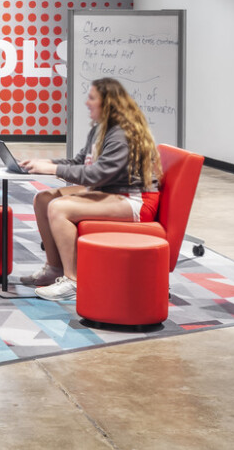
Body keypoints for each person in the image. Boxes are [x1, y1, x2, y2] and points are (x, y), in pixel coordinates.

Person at [19, 77, 162, 301]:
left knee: (58, 208)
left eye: (92, 98)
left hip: (135, 200)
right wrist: (45, 165)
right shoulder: (100, 129)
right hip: (110, 192)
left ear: (108, 103)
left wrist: (53, 169)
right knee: (43, 199)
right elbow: (79, 163)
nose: (87, 102)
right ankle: (54, 269)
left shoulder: (121, 133)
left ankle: (73, 281)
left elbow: (96, 174)